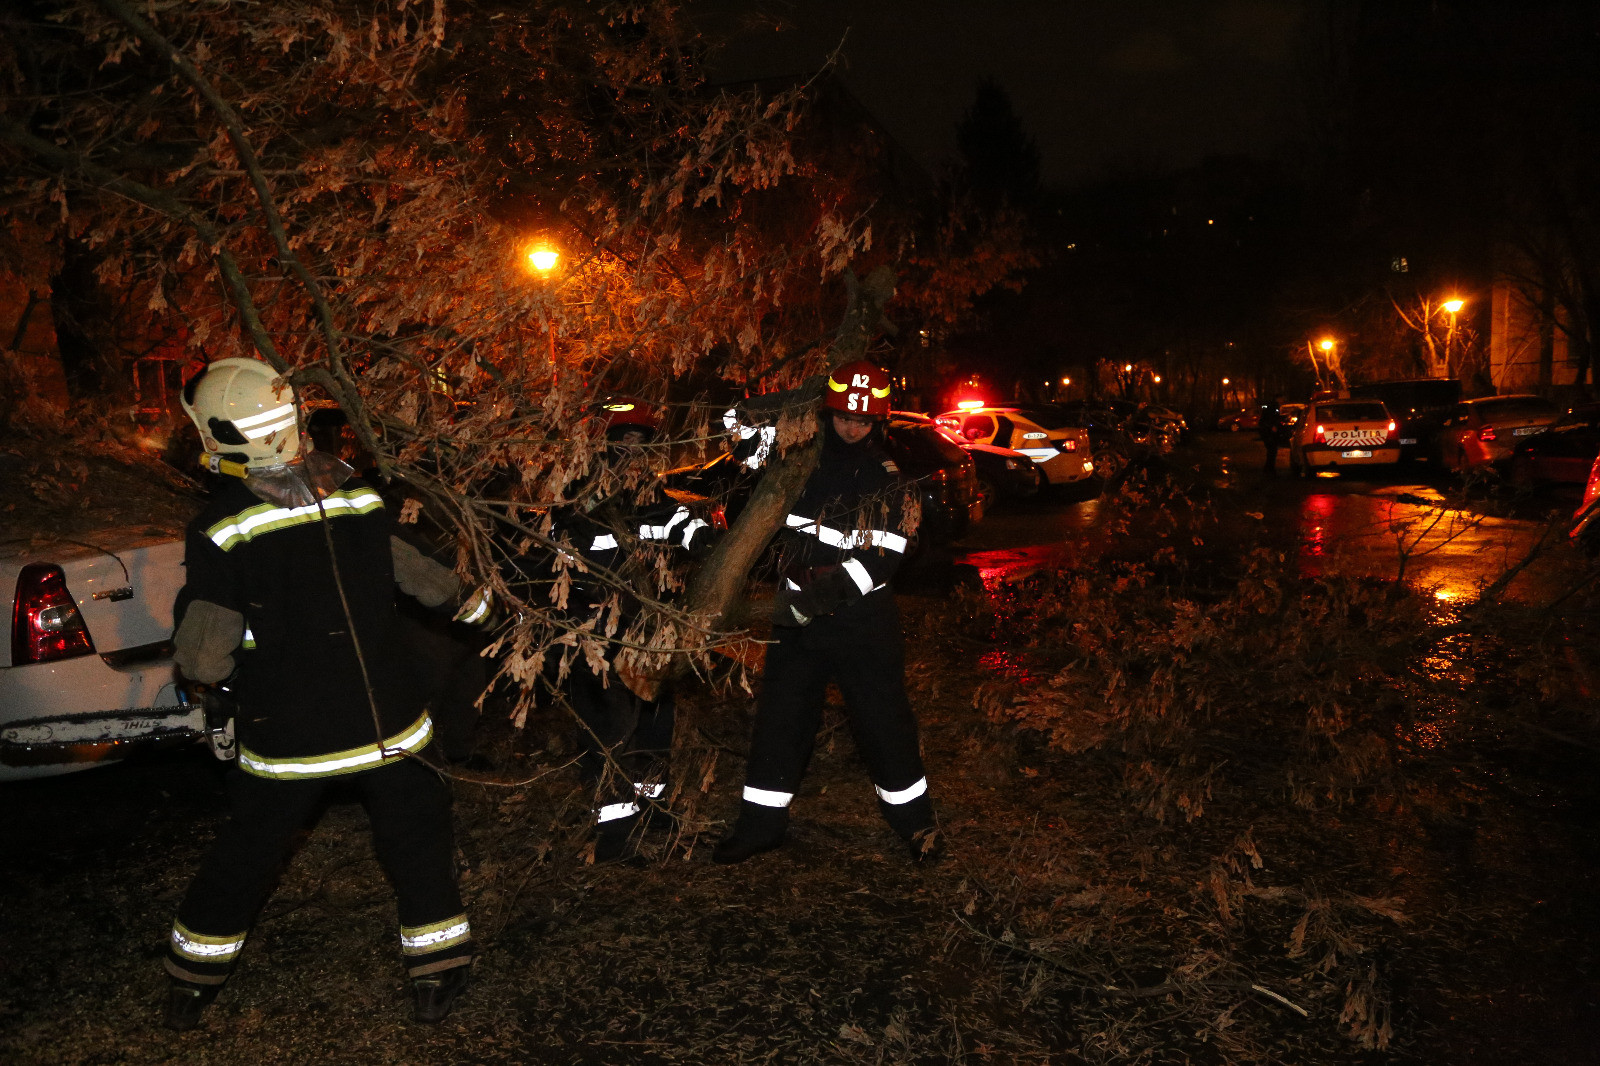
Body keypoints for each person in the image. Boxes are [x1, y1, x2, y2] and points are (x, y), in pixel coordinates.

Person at [164, 358, 486, 1030]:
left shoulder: (222, 525)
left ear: (216, 434)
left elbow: (205, 649)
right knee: (418, 843)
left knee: (248, 852)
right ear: (294, 420)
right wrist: (494, 619)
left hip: (288, 738)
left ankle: (191, 982)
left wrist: (208, 683)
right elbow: (436, 582)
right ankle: (436, 975)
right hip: (388, 724)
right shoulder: (357, 495)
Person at [713, 360, 938, 865]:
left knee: (884, 725)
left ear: (877, 421)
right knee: (780, 720)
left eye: (862, 419)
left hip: (862, 625)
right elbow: (734, 426)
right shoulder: (796, 460)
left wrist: (818, 598)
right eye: (842, 416)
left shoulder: (886, 479)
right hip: (796, 621)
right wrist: (797, 395)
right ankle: (760, 826)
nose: (851, 426)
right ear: (829, 411)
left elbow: (885, 557)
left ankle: (917, 828)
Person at [549, 400, 717, 863]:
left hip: (644, 626)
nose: (632, 449)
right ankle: (613, 835)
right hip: (592, 628)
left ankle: (650, 805)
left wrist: (702, 535)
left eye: (639, 441)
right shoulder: (575, 493)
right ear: (602, 444)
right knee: (610, 731)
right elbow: (561, 556)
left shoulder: (647, 490)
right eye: (623, 440)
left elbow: (672, 520)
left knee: (655, 720)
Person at [1259, 399, 1284, 474]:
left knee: (1271, 451)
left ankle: (1268, 468)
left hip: (1268, 433)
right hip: (1269, 434)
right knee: (1272, 451)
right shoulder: (1273, 409)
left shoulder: (1271, 409)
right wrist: (1272, 427)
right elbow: (1271, 420)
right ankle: (1269, 469)